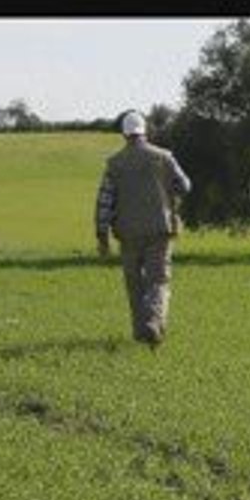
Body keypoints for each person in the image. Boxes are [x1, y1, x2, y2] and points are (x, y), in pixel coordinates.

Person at [94, 110, 191, 348]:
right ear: (144, 131)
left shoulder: (114, 163)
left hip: (127, 234)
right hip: (160, 230)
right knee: (158, 280)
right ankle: (154, 322)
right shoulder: (164, 157)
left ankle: (140, 332)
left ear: (124, 134)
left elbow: (104, 202)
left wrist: (102, 235)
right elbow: (185, 186)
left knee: (134, 283)